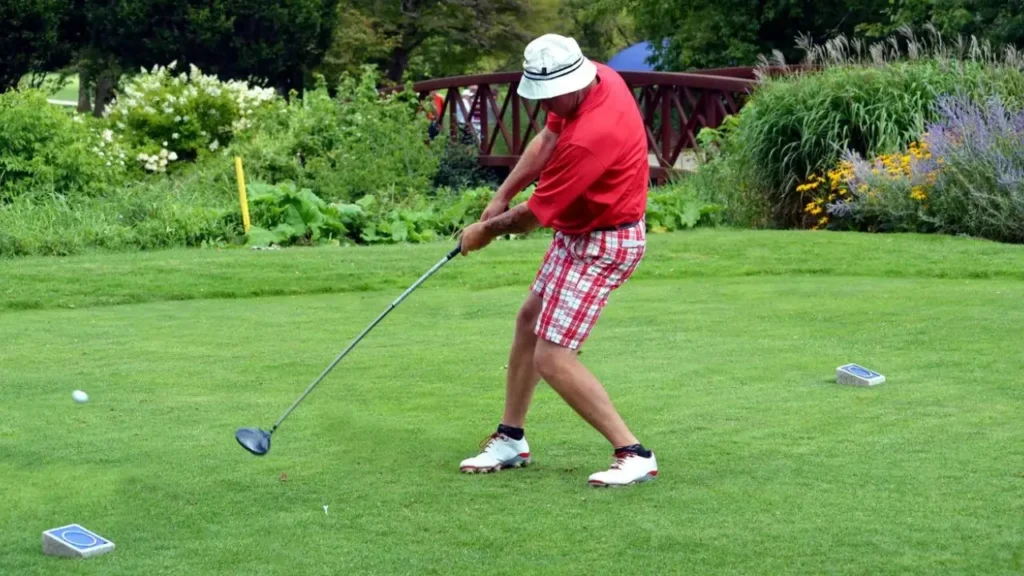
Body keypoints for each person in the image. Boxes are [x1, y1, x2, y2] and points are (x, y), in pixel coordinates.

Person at [457, 34, 657, 487]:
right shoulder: (594, 78)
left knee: (553, 356)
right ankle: (511, 438)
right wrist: (500, 194)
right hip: (580, 232)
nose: (544, 101)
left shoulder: (592, 135)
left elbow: (531, 218)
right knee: (529, 320)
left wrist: (484, 231)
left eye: (549, 95)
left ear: (572, 83)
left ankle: (634, 452)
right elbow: (547, 138)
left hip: (607, 243)